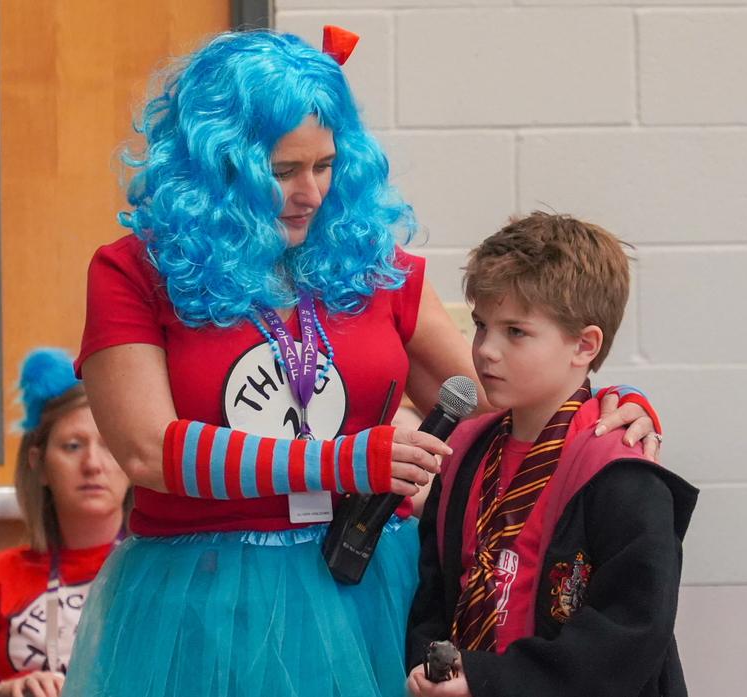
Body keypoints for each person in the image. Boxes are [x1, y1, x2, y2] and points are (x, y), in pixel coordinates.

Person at [64, 30, 659, 697]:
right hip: (203, 600)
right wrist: (345, 461)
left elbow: (499, 397)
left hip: (366, 580)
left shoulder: (370, 264)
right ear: (217, 164)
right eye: (282, 171)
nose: (312, 192)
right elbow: (147, 451)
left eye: (325, 164)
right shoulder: (134, 271)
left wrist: (603, 406)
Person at [404, 213, 698, 697]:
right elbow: (434, 590)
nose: (486, 350)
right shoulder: (464, 453)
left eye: (515, 332)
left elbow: (632, 631)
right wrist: (427, 662)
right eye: (481, 325)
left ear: (584, 345)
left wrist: (493, 680)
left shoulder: (619, 470)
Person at [0, 349, 132, 697]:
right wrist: (5, 692)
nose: (93, 464)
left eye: (109, 446)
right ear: (39, 463)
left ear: (132, 460)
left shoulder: (163, 571)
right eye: (72, 446)